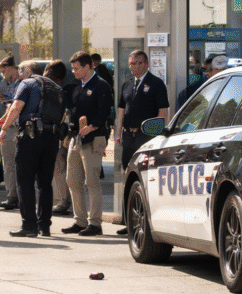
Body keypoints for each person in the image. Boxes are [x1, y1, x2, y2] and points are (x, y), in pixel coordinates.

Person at [0, 60, 61, 237]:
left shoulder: (27, 83)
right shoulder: (54, 87)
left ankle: (29, 225)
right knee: (45, 184)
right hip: (51, 137)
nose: (18, 73)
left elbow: (17, 106)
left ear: (27, 71)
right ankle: (45, 226)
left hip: (30, 134)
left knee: (24, 180)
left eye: (20, 70)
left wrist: (4, 129)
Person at [115, 49, 169, 234]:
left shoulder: (156, 83)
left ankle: (146, 221)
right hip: (129, 136)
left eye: (139, 63)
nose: (135, 66)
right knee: (128, 176)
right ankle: (128, 220)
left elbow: (163, 111)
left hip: (147, 137)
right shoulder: (127, 85)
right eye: (131, 63)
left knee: (146, 178)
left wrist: (157, 134)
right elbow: (121, 109)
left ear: (146, 64)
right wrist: (118, 131)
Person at [61, 51, 113, 237]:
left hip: (94, 138)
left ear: (88, 66)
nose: (73, 71)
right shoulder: (76, 86)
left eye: (76, 68)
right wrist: (68, 134)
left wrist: (92, 127)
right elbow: (72, 113)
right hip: (76, 138)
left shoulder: (101, 86)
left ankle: (95, 223)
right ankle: (80, 220)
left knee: (92, 181)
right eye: (73, 68)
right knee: (72, 180)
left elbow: (105, 110)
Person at [0, 55, 22, 210]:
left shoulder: (24, 83)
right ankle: (12, 196)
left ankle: (23, 195)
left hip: (20, 127)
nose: (3, 75)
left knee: (22, 164)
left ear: (13, 68)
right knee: (8, 163)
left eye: (5, 71)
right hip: (8, 128)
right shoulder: (4, 84)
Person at [44, 61, 72, 215]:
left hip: (59, 137)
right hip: (62, 135)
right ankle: (63, 199)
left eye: (47, 73)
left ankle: (64, 200)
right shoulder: (63, 91)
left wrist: (64, 135)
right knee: (59, 169)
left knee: (58, 169)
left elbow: (65, 117)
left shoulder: (57, 92)